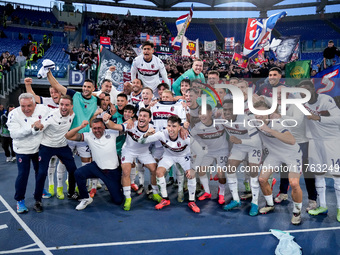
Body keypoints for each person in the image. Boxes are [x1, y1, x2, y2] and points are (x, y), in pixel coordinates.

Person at [138, 115, 204, 213]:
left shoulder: (186, 137)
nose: (171, 129)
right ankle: (165, 199)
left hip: (184, 156)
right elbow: (140, 141)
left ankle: (191, 201)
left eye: (174, 126)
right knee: (159, 173)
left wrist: (193, 169)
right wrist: (146, 134)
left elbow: (201, 152)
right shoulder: (162, 134)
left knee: (191, 175)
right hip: (168, 156)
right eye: (169, 126)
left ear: (179, 127)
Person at [254, 101, 303, 225]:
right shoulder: (253, 121)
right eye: (256, 113)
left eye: (262, 113)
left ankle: (297, 212)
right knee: (262, 180)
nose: (258, 116)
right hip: (274, 155)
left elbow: (291, 140)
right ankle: (270, 204)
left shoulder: (277, 123)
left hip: (292, 155)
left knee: (294, 183)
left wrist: (269, 130)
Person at [299, 80, 340, 222]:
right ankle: (323, 206)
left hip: (331, 140)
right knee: (319, 174)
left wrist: (318, 117)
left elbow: (339, 119)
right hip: (314, 141)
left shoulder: (326, 99)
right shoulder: (299, 103)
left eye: (307, 89)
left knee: (337, 175)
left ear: (313, 89)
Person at [102, 108, 160, 211]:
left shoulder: (153, 128)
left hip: (144, 152)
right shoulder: (131, 124)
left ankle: (155, 193)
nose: (142, 118)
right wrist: (106, 120)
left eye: (145, 116)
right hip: (128, 150)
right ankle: (128, 198)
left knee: (154, 169)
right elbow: (114, 126)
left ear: (149, 119)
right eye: (140, 115)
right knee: (126, 172)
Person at [65, 118, 124, 210]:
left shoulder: (112, 133)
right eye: (94, 128)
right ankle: (85, 198)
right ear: (91, 128)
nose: (97, 131)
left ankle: (118, 187)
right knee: (78, 173)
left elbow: (125, 128)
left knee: (118, 200)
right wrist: (80, 127)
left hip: (111, 171)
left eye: (99, 128)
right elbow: (68, 136)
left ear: (104, 127)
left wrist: (112, 123)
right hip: (96, 167)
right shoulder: (88, 136)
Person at [33, 95, 78, 212]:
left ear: (71, 106)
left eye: (66, 105)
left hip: (62, 146)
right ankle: (38, 200)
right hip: (46, 146)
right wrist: (37, 127)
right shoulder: (51, 115)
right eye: (61, 104)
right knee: (42, 173)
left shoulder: (72, 115)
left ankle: (71, 192)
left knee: (73, 170)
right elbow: (41, 126)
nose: (63, 107)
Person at [7, 93, 50, 213]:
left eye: (29, 106)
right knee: (23, 175)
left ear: (35, 104)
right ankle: (20, 200)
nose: (26, 109)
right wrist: (33, 128)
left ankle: (39, 191)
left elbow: (54, 116)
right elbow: (14, 134)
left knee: (41, 173)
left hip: (39, 148)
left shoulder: (43, 109)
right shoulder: (13, 114)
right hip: (22, 150)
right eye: (23, 106)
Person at [221, 100, 262, 216]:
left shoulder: (245, 119)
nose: (227, 112)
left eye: (230, 109)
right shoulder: (221, 119)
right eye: (225, 110)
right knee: (230, 169)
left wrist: (240, 140)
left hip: (254, 146)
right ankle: (236, 200)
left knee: (253, 172)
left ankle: (255, 203)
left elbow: (256, 141)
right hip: (239, 146)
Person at [190, 104, 229, 205]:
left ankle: (221, 193)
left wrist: (222, 111)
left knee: (220, 173)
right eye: (200, 114)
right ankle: (207, 192)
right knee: (201, 171)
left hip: (222, 150)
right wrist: (195, 151)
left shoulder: (220, 122)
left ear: (210, 113)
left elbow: (232, 119)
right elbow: (191, 137)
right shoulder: (197, 127)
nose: (202, 116)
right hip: (208, 151)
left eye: (204, 113)